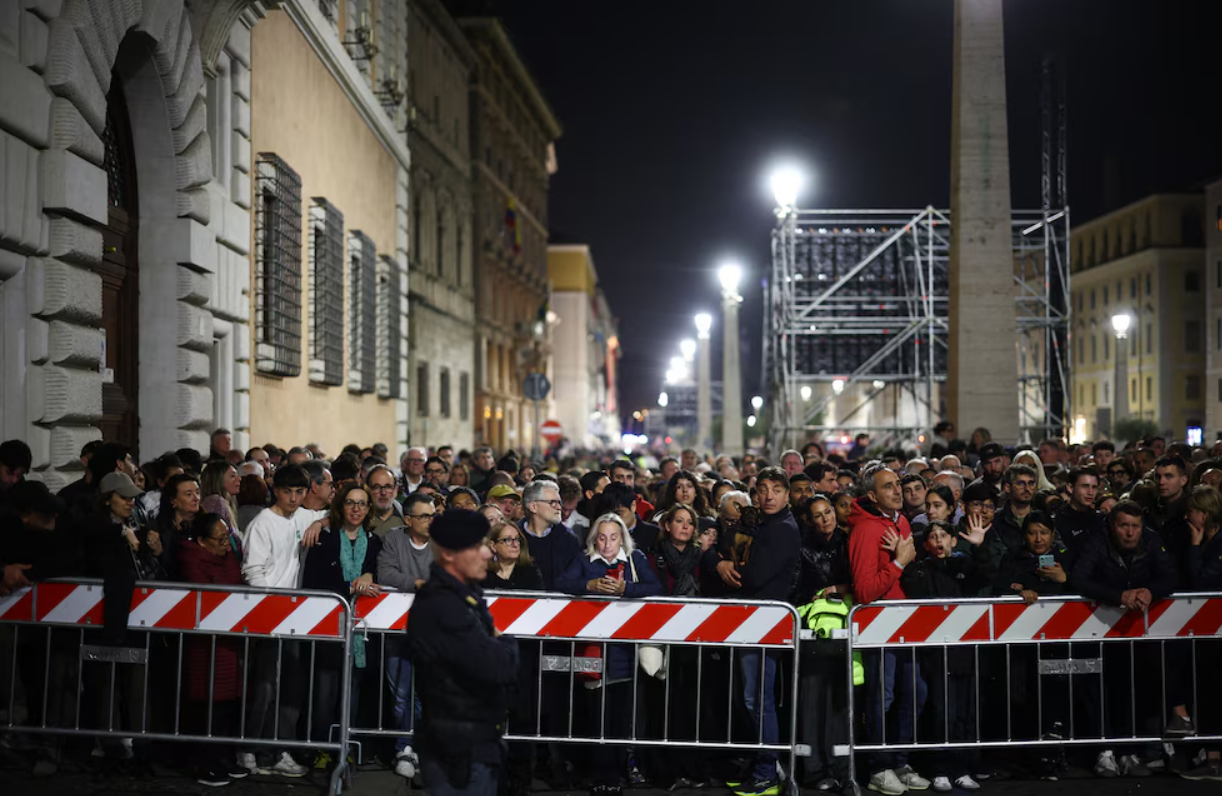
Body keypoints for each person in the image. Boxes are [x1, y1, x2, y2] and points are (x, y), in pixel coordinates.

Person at [703, 467, 801, 796]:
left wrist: (715, 561)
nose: (769, 495)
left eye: (776, 489)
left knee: (758, 699)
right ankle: (761, 765)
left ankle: (766, 772)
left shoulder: (782, 529)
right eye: (763, 489)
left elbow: (754, 576)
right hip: (753, 622)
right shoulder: (763, 524)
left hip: (764, 624)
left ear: (787, 495)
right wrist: (719, 560)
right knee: (753, 698)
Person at [406, 509, 519, 796]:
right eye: (477, 546)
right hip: (458, 751)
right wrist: (508, 644)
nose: (488, 553)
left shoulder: (465, 596)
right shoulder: (443, 606)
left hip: (474, 742)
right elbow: (498, 665)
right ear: (448, 554)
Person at [557, 513, 663, 796]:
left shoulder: (635, 559)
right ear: (594, 539)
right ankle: (600, 776)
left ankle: (616, 774)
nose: (606, 544)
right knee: (595, 717)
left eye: (613, 538)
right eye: (602, 538)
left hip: (625, 652)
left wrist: (627, 589)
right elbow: (562, 583)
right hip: (593, 651)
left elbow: (655, 587)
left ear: (622, 539)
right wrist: (588, 586)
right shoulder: (584, 560)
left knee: (620, 718)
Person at [1070, 501, 1177, 778]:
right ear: (1112, 525)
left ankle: (1130, 751)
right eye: (1124, 526)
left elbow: (1170, 576)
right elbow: (1079, 578)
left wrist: (1151, 591)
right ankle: (1104, 752)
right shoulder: (1097, 541)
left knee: (1134, 690)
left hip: (1139, 635)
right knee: (1099, 691)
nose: (1130, 533)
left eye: (1135, 526)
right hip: (1099, 632)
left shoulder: (1152, 540)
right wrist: (1117, 596)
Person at [846, 463, 928, 795]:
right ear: (872, 495)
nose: (897, 490)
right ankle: (878, 768)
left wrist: (903, 562)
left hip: (905, 624)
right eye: (888, 486)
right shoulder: (865, 530)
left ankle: (900, 762)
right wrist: (898, 562)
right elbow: (865, 591)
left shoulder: (902, 521)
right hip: (879, 627)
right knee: (883, 696)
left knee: (915, 691)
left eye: (897, 484)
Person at [899, 521, 991, 793]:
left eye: (943, 535)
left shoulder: (965, 565)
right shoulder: (921, 569)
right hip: (936, 652)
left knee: (963, 713)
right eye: (932, 536)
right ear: (926, 544)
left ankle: (961, 769)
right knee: (941, 711)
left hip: (965, 651)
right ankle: (939, 769)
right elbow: (914, 591)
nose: (938, 540)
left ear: (953, 540)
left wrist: (980, 547)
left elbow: (987, 576)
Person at [238, 464, 311, 777]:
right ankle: (249, 749)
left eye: (299, 492)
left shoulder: (302, 517)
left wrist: (321, 522)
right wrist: (269, 610)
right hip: (269, 617)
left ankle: (278, 751)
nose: (293, 498)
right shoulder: (262, 524)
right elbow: (253, 572)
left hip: (292, 618)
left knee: (288, 690)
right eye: (287, 492)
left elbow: (327, 515)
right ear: (275, 491)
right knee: (265, 688)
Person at [302, 482, 382, 764]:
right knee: (324, 695)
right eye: (350, 502)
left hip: (361, 633)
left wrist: (371, 576)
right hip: (328, 630)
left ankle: (345, 749)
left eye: (362, 503)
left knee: (353, 696)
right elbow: (312, 583)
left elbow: (379, 576)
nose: (356, 508)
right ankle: (320, 750)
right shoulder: (323, 540)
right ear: (341, 506)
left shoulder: (375, 543)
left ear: (369, 509)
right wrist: (349, 586)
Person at [177, 513, 249, 787]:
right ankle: (206, 763)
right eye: (220, 540)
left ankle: (225, 757)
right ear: (202, 541)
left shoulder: (227, 557)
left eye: (227, 538)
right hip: (206, 645)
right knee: (209, 705)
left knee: (229, 703)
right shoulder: (191, 560)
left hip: (230, 641)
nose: (226, 545)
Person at [377, 491, 437, 778]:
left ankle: (421, 746)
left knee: (428, 692)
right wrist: (419, 583)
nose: (431, 521)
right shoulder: (393, 539)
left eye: (433, 515)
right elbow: (385, 574)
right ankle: (405, 747)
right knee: (401, 694)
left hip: (434, 632)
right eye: (425, 516)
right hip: (398, 631)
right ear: (409, 519)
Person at [519, 480, 582, 590]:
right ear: (533, 506)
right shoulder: (513, 536)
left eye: (559, 502)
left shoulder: (569, 540)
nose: (559, 507)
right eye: (552, 502)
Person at [1055, 468, 1103, 567]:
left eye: (1094, 487)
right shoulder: (1057, 520)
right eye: (1085, 486)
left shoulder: (1101, 520)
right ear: (1070, 488)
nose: (1090, 492)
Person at [201, 461, 243, 559]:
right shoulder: (215, 501)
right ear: (217, 480)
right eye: (232, 476)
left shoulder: (221, 501)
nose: (239, 479)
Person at [366, 464, 407, 537]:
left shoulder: (407, 518)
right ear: (367, 490)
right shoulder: (360, 519)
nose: (383, 492)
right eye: (377, 487)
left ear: (396, 490)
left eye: (388, 487)